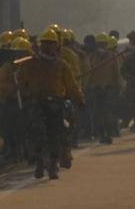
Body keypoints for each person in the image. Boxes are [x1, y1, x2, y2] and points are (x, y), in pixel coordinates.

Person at [14, 29, 85, 181]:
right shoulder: (30, 63)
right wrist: (26, 94)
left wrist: (79, 99)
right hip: (36, 103)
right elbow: (20, 82)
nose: (47, 47)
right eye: (45, 43)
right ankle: (39, 163)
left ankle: (53, 165)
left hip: (55, 104)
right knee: (36, 133)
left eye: (51, 44)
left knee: (55, 135)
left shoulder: (61, 65)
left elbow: (71, 85)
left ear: (56, 46)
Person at [0, 33, 25, 162]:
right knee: (10, 127)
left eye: (22, 53)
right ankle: (14, 150)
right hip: (12, 101)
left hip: (28, 100)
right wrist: (13, 88)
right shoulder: (7, 67)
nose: (19, 56)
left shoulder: (31, 64)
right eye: (16, 53)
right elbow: (1, 84)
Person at [82, 33, 123, 144]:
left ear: (106, 44)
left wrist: (120, 87)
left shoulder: (112, 56)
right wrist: (85, 87)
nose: (101, 46)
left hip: (109, 89)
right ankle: (101, 134)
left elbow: (117, 73)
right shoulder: (91, 57)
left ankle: (108, 134)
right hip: (95, 89)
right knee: (97, 114)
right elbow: (88, 74)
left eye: (103, 44)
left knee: (108, 114)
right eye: (99, 43)